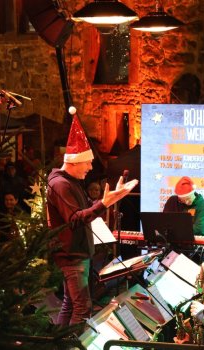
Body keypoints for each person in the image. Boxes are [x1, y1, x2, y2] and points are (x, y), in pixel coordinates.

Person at [46, 113, 137, 326]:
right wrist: (104, 204)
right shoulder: (61, 185)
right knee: (81, 307)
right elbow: (75, 219)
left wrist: (108, 200)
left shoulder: (71, 181)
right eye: (87, 163)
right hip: (72, 255)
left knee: (71, 303)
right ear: (75, 162)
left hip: (77, 252)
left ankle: (60, 343)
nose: (89, 168)